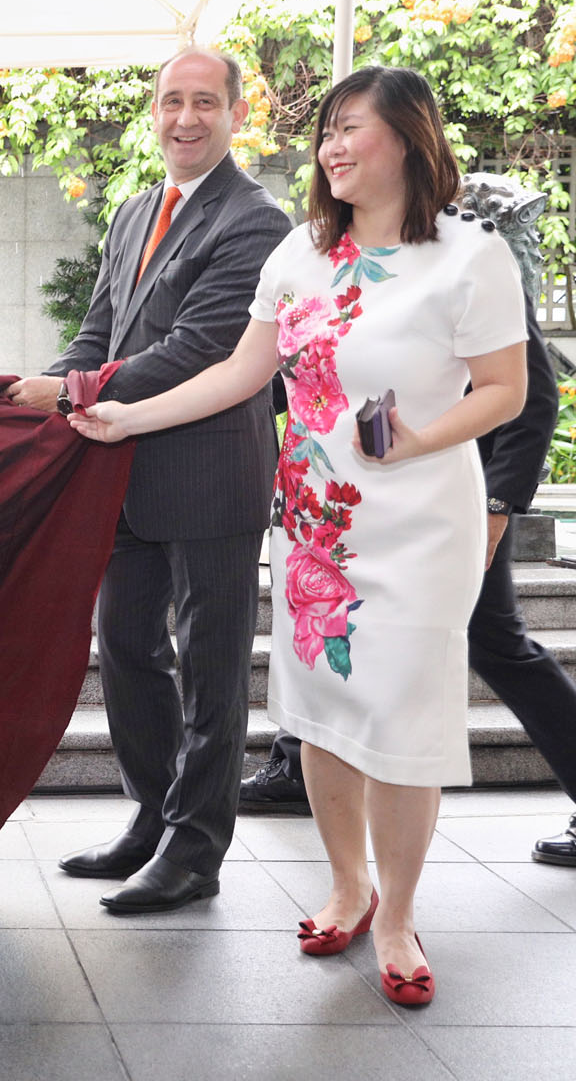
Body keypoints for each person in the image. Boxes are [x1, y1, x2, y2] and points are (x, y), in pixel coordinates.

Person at [69, 66, 528, 1006]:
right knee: (318, 716)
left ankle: (397, 916)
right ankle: (348, 884)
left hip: (419, 521)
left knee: (402, 716)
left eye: (353, 128)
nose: (333, 146)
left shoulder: (470, 257)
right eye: (327, 131)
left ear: (408, 137)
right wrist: (126, 417)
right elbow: (241, 373)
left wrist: (414, 437)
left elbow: (506, 391)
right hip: (318, 526)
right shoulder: (300, 256)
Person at [7, 47, 290, 912]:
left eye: (206, 102)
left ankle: (196, 850)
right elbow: (98, 330)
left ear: (238, 114)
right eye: (172, 101)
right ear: (153, 111)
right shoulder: (134, 211)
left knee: (210, 668)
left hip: (210, 473)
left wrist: (72, 392)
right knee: (127, 647)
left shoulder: (255, 221)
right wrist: (53, 390)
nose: (186, 118)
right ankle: (149, 818)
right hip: (119, 469)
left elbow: (200, 348)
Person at [242, 176, 576, 869]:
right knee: (336, 638)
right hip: (352, 505)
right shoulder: (325, 258)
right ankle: (296, 758)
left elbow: (528, 399)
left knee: (495, 644)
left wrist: (497, 507)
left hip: (445, 504)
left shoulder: (470, 256)